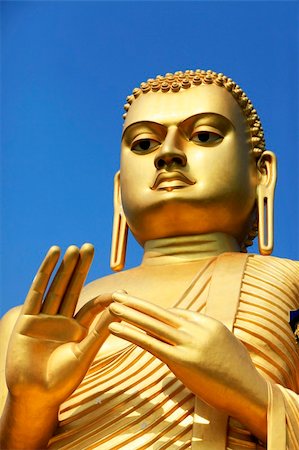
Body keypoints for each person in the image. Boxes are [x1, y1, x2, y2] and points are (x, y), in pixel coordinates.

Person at [0, 69, 298, 450]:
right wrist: (27, 409)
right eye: (143, 144)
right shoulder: (41, 325)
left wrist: (252, 393)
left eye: (204, 136)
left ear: (263, 174)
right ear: (119, 186)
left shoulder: (291, 283)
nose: (168, 155)